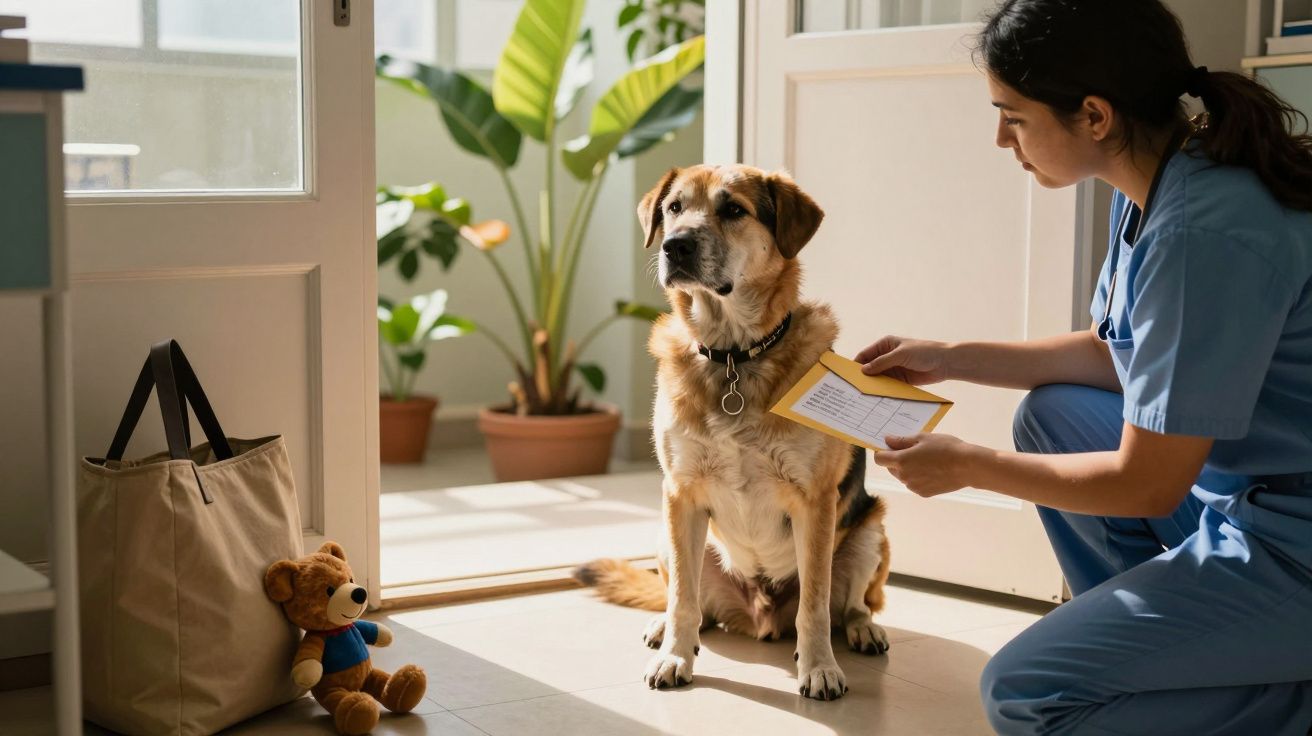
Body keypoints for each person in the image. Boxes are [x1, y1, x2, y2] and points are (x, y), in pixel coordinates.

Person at [854, 0, 1312, 733]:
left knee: (1026, 692)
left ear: (1095, 116)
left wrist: (969, 466)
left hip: (1294, 537)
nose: (1000, 138)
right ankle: (1183, 657)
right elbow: (1116, 354)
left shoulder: (1200, 232)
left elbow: (1148, 483)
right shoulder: (1159, 179)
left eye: (1013, 117)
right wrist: (949, 356)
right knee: (1054, 413)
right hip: (1246, 497)